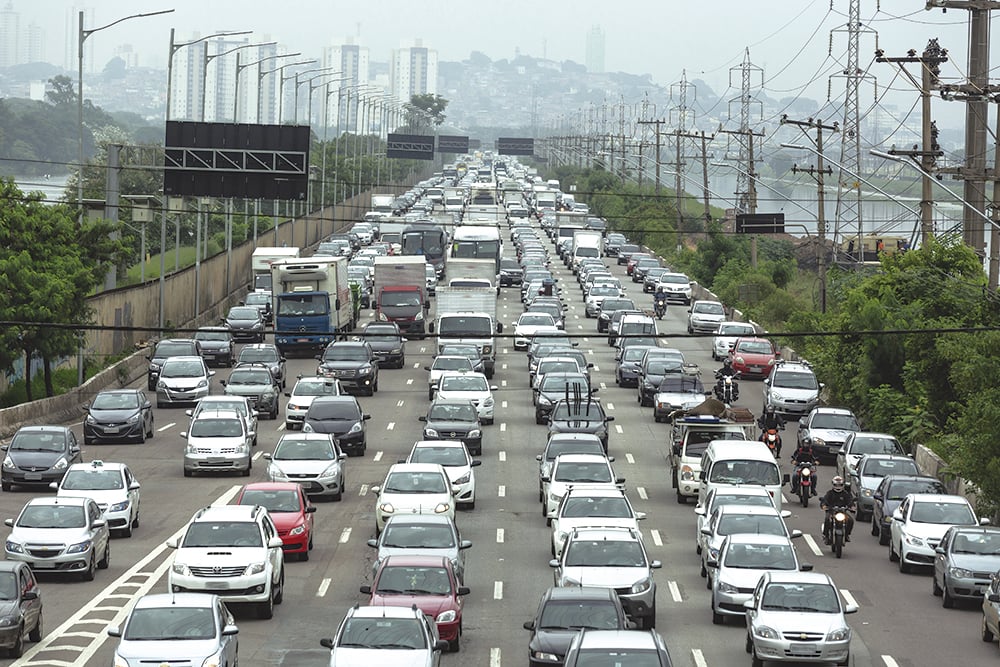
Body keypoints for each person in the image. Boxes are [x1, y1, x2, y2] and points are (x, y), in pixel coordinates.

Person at [820, 476, 856, 544]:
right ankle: (826, 535)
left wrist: (852, 506)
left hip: (842, 512)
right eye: (836, 485)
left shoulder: (845, 494)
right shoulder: (830, 493)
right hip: (832, 512)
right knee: (827, 519)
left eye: (840, 485)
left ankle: (847, 535)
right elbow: (825, 500)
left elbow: (850, 501)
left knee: (850, 520)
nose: (838, 487)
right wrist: (824, 505)